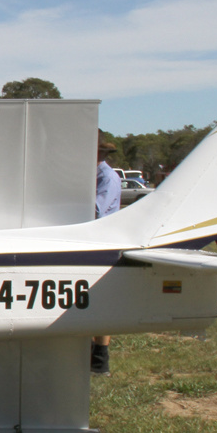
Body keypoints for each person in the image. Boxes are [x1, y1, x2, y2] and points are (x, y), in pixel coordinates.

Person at [92, 137, 121, 376]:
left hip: (103, 244)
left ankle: (101, 359)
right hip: (92, 242)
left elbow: (96, 210)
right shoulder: (94, 176)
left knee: (100, 302)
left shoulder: (107, 177)